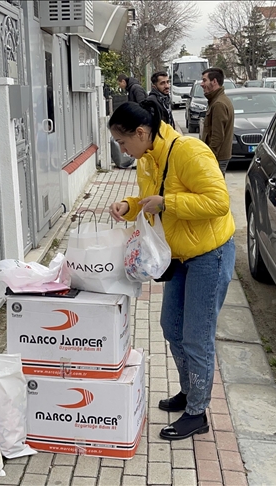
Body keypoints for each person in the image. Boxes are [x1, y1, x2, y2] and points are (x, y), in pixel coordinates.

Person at [107, 100, 235, 441]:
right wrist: (129, 206)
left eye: (122, 142)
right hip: (177, 256)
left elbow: (219, 201)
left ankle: (197, 412)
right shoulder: (147, 158)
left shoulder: (189, 151)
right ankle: (189, 391)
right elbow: (148, 199)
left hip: (209, 254)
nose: (122, 150)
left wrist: (168, 203)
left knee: (196, 336)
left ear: (141, 132)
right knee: (172, 327)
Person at [200, 67, 234, 176]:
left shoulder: (218, 104)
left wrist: (209, 158)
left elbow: (217, 136)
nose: (201, 84)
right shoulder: (217, 100)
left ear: (214, 81)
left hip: (217, 157)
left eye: (204, 80)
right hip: (218, 156)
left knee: (215, 185)